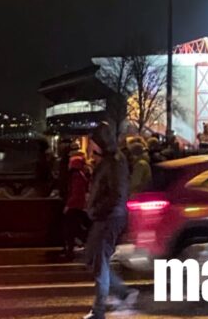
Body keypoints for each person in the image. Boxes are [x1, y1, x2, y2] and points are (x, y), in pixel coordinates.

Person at [84, 125, 138, 319]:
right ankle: (123, 293)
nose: (90, 147)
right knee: (93, 258)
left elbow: (116, 194)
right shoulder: (108, 161)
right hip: (105, 216)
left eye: (92, 142)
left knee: (99, 262)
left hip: (109, 217)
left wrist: (97, 209)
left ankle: (99, 310)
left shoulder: (115, 162)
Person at [62, 154, 92, 259]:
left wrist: (68, 205)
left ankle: (70, 251)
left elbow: (76, 193)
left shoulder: (75, 176)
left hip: (74, 207)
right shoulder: (80, 175)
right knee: (76, 228)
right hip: (79, 206)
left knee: (70, 229)